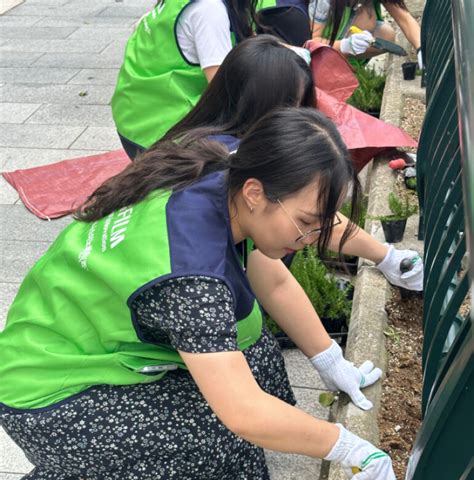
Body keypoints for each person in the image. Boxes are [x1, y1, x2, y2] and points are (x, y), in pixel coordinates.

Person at [0, 108, 403, 480]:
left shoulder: (230, 162)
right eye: (306, 223)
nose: (310, 238)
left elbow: (271, 275)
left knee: (259, 364)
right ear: (256, 194)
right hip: (44, 392)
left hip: (81, 339)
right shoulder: (192, 280)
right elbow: (245, 413)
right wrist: (347, 447)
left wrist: (330, 359)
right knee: (216, 442)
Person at [161, 35, 424, 293]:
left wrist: (385, 256)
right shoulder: (226, 166)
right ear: (253, 98)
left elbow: (307, 219)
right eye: (290, 104)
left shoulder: (209, 140)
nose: (297, 115)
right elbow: (276, 264)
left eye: (301, 104)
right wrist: (386, 256)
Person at [111, 0, 311, 158]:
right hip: (155, 131)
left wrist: (296, 52)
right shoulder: (209, 11)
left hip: (133, 112)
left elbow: (245, 40)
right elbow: (227, 91)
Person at [308, 0, 421, 63]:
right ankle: (336, 63)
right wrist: (345, 46)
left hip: (348, 36)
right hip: (324, 44)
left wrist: (421, 49)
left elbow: (405, 19)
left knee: (386, 34)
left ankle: (352, 67)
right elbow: (311, 43)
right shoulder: (323, 2)